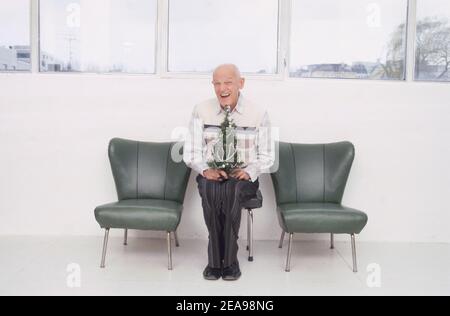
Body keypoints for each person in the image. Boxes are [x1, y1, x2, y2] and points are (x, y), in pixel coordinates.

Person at [183, 64, 274, 281]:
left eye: (228, 82)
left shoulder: (258, 113)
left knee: (231, 192)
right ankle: (215, 262)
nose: (222, 88)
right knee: (213, 193)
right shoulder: (201, 110)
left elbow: (267, 155)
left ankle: (229, 260)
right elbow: (191, 151)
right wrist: (206, 169)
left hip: (243, 176)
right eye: (217, 83)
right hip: (211, 174)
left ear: (240, 84)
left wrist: (249, 171)